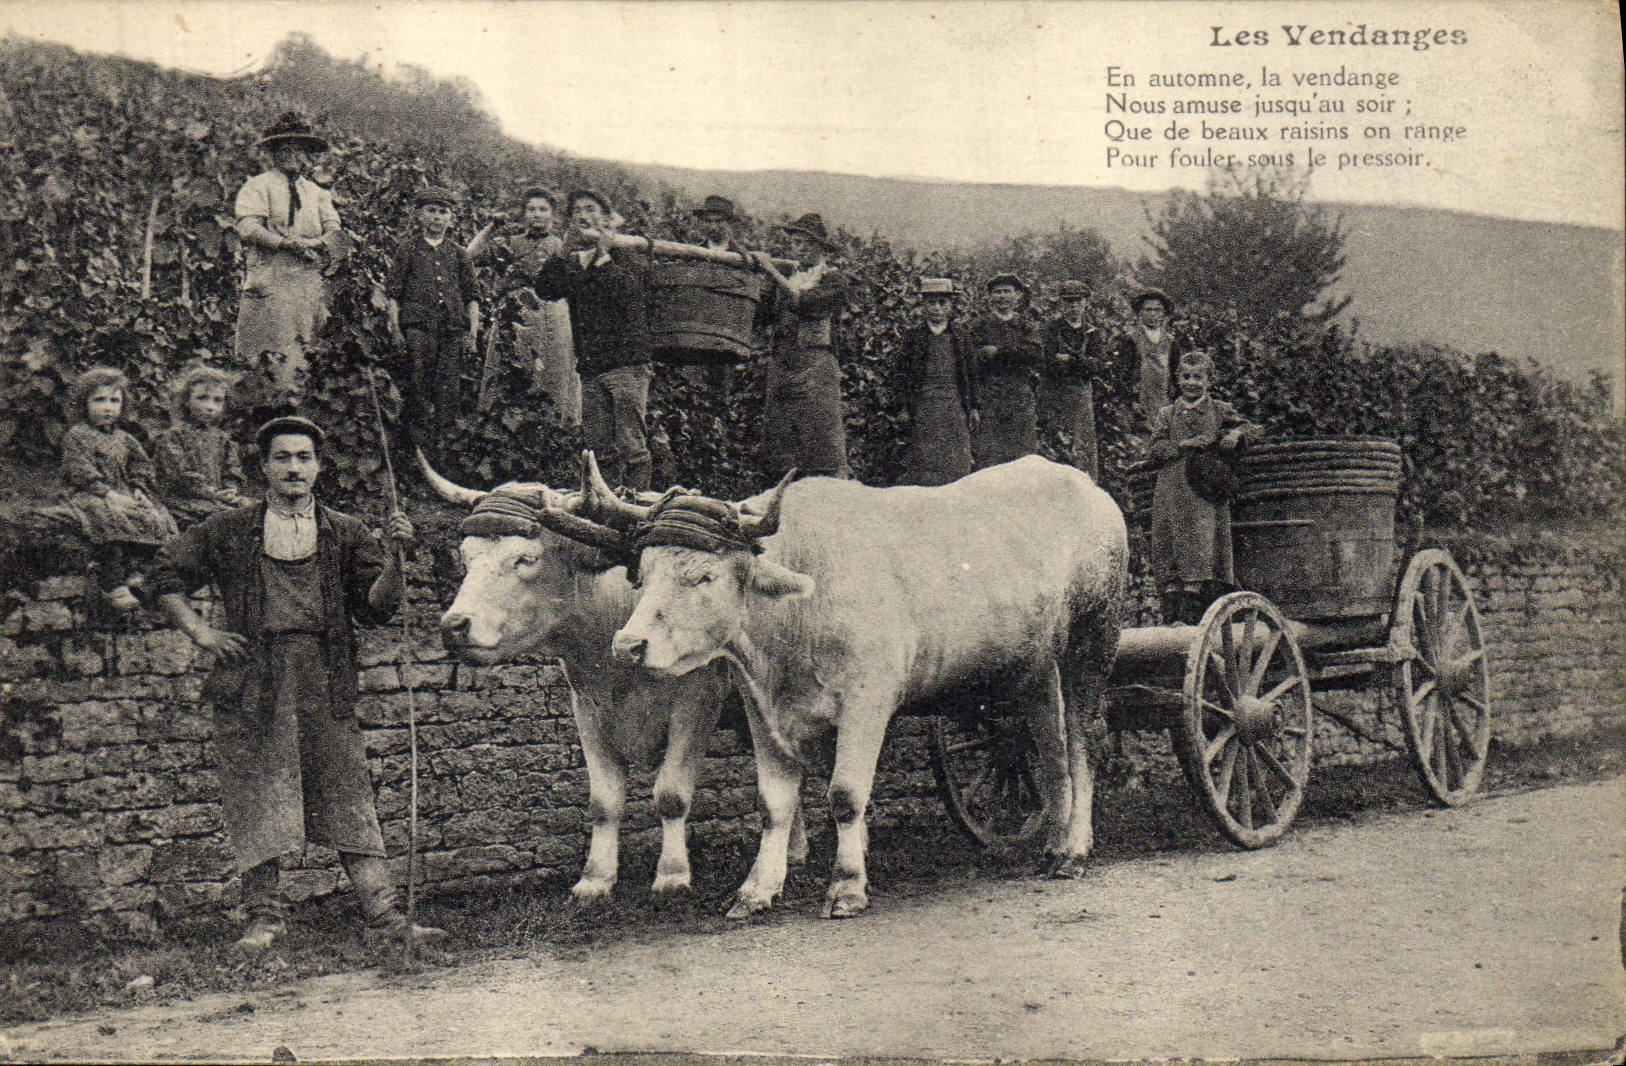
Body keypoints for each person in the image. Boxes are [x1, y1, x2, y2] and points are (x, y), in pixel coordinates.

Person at [147, 416, 445, 956]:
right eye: (281, 457)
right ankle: (263, 921)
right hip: (253, 681)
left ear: (319, 467)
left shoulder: (347, 531)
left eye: (303, 457)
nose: (293, 468)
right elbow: (164, 574)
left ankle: (383, 916)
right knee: (258, 794)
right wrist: (201, 631)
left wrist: (397, 558)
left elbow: (375, 608)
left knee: (347, 789)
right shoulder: (231, 529)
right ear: (263, 468)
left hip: (324, 678)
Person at [524, 189, 655, 490]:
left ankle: (638, 508)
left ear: (606, 218)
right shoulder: (574, 259)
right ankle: (607, 509)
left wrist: (604, 258)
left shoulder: (629, 250)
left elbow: (628, 293)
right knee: (599, 449)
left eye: (591, 209)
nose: (584, 216)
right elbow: (545, 288)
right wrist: (561, 252)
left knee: (632, 445)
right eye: (577, 211)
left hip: (626, 363)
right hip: (592, 365)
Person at [233, 113, 343, 415]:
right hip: (268, 286)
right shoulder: (257, 187)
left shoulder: (318, 193)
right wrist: (284, 243)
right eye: (285, 149)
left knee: (302, 360)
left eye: (299, 149)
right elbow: (248, 228)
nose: (292, 155)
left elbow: (335, 232)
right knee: (263, 363)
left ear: (307, 155)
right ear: (273, 154)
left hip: (307, 290)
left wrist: (313, 244)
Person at [1145, 350, 1260, 625]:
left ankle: (1196, 613)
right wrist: (1181, 446)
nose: (1191, 383)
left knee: (1202, 543)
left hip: (1205, 491)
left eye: (1198, 377)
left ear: (1209, 380)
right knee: (1170, 544)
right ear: (1177, 379)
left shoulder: (1219, 410)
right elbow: (1155, 449)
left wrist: (1236, 433)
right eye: (1186, 377)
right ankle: (1172, 614)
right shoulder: (1167, 413)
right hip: (1172, 488)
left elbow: (1253, 428)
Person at [59, 367, 179, 611]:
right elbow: (79, 469)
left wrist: (138, 488)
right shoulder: (77, 435)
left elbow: (141, 464)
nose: (107, 407)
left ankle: (140, 571)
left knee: (155, 516)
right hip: (91, 493)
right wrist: (107, 493)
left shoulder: (125, 438)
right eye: (99, 400)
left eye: (115, 401)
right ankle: (113, 582)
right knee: (105, 516)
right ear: (83, 404)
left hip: (123, 492)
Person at [750, 213, 852, 480]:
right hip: (783, 365)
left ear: (821, 249)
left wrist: (771, 271)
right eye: (796, 243)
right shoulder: (787, 276)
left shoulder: (834, 280)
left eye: (808, 243)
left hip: (816, 368)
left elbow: (806, 304)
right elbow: (762, 316)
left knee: (821, 437)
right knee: (779, 440)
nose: (801, 248)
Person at [466, 187, 580, 423]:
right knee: (511, 368)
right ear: (524, 214)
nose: (536, 214)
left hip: (552, 316)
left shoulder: (563, 247)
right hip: (515, 314)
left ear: (553, 215)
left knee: (553, 372)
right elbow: (468, 257)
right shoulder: (510, 244)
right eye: (531, 209)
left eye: (543, 209)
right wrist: (490, 228)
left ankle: (554, 429)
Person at [385, 186, 481, 465]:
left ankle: (443, 456)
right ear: (419, 215)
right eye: (431, 211)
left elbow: (472, 296)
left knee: (448, 389)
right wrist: (396, 329)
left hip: (452, 331)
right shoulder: (408, 250)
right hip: (418, 330)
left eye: (443, 212)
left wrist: (472, 332)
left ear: (451, 218)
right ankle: (417, 455)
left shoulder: (459, 254)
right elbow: (393, 294)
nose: (437, 217)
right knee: (418, 385)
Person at [895, 277, 976, 486]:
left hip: (954, 405)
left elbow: (971, 374)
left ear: (951, 306)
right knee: (925, 460)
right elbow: (901, 375)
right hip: (924, 405)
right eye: (931, 303)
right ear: (923, 306)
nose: (937, 308)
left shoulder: (960, 336)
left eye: (943, 303)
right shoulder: (913, 337)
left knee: (956, 460)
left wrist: (974, 407)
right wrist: (903, 407)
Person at [154, 365, 252, 529]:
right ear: (186, 401)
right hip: (184, 500)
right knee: (224, 519)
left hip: (217, 498)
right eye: (202, 398)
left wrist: (231, 489)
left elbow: (232, 468)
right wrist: (210, 492)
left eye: (217, 400)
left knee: (254, 510)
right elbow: (180, 475)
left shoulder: (222, 439)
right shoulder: (173, 437)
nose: (210, 406)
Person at [967, 273, 1043, 469]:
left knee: (1022, 457)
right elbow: (971, 361)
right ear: (990, 297)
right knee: (989, 457)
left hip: (1020, 398)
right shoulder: (979, 326)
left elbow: (1034, 353)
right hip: (990, 397)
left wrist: (1000, 352)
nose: (1002, 296)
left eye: (1006, 292)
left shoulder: (1026, 326)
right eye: (997, 292)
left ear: (1016, 295)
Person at [1039, 279, 1103, 478]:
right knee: (1057, 442)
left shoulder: (1092, 332)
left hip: (1082, 394)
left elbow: (1095, 366)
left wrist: (1072, 361)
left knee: (1083, 444)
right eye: (1068, 302)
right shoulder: (1051, 329)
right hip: (1055, 394)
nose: (1073, 306)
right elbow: (1045, 363)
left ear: (1086, 303)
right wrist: (1078, 362)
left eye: (1078, 301)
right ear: (1061, 304)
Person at [1115, 287, 1188, 430]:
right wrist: (1131, 400)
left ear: (1164, 313)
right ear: (1140, 313)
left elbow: (1177, 374)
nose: (1153, 314)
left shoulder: (1171, 342)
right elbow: (1122, 376)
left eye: (1157, 310)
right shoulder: (1130, 339)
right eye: (1148, 309)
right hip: (1138, 402)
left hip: (1164, 401)